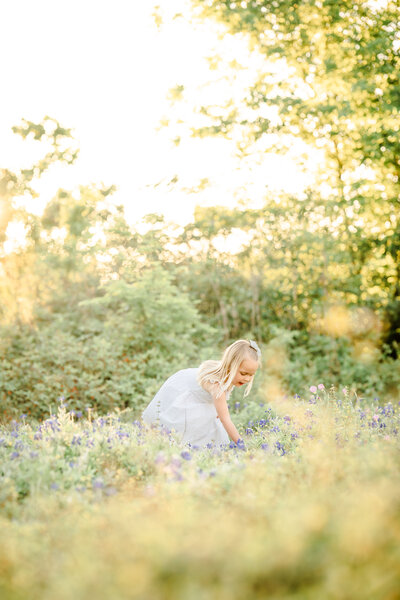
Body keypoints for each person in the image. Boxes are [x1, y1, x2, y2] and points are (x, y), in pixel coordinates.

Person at [141, 339, 261, 447]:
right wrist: (242, 445)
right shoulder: (217, 386)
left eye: (251, 375)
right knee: (186, 431)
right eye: (244, 373)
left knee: (213, 424)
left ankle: (201, 455)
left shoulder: (227, 377)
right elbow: (226, 419)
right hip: (182, 391)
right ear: (230, 366)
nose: (247, 379)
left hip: (197, 396)